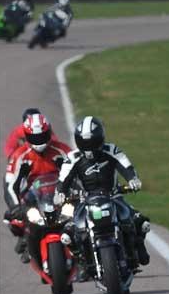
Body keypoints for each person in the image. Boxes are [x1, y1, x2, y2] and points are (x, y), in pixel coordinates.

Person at [54, 116, 150, 277]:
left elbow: (126, 166)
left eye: (92, 142)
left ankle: (138, 247)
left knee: (139, 220)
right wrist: (60, 194)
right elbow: (63, 180)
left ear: (100, 139)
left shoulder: (111, 150)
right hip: (85, 201)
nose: (89, 147)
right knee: (69, 233)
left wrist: (133, 179)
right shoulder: (72, 158)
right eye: (85, 143)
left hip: (113, 196)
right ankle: (82, 260)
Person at [4, 110, 71, 262]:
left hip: (59, 193)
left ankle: (85, 258)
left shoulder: (62, 150)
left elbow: (79, 172)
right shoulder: (20, 156)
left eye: (42, 136)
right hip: (34, 196)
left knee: (81, 220)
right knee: (17, 218)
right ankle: (28, 242)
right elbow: (10, 185)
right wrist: (15, 207)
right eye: (35, 137)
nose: (39, 140)